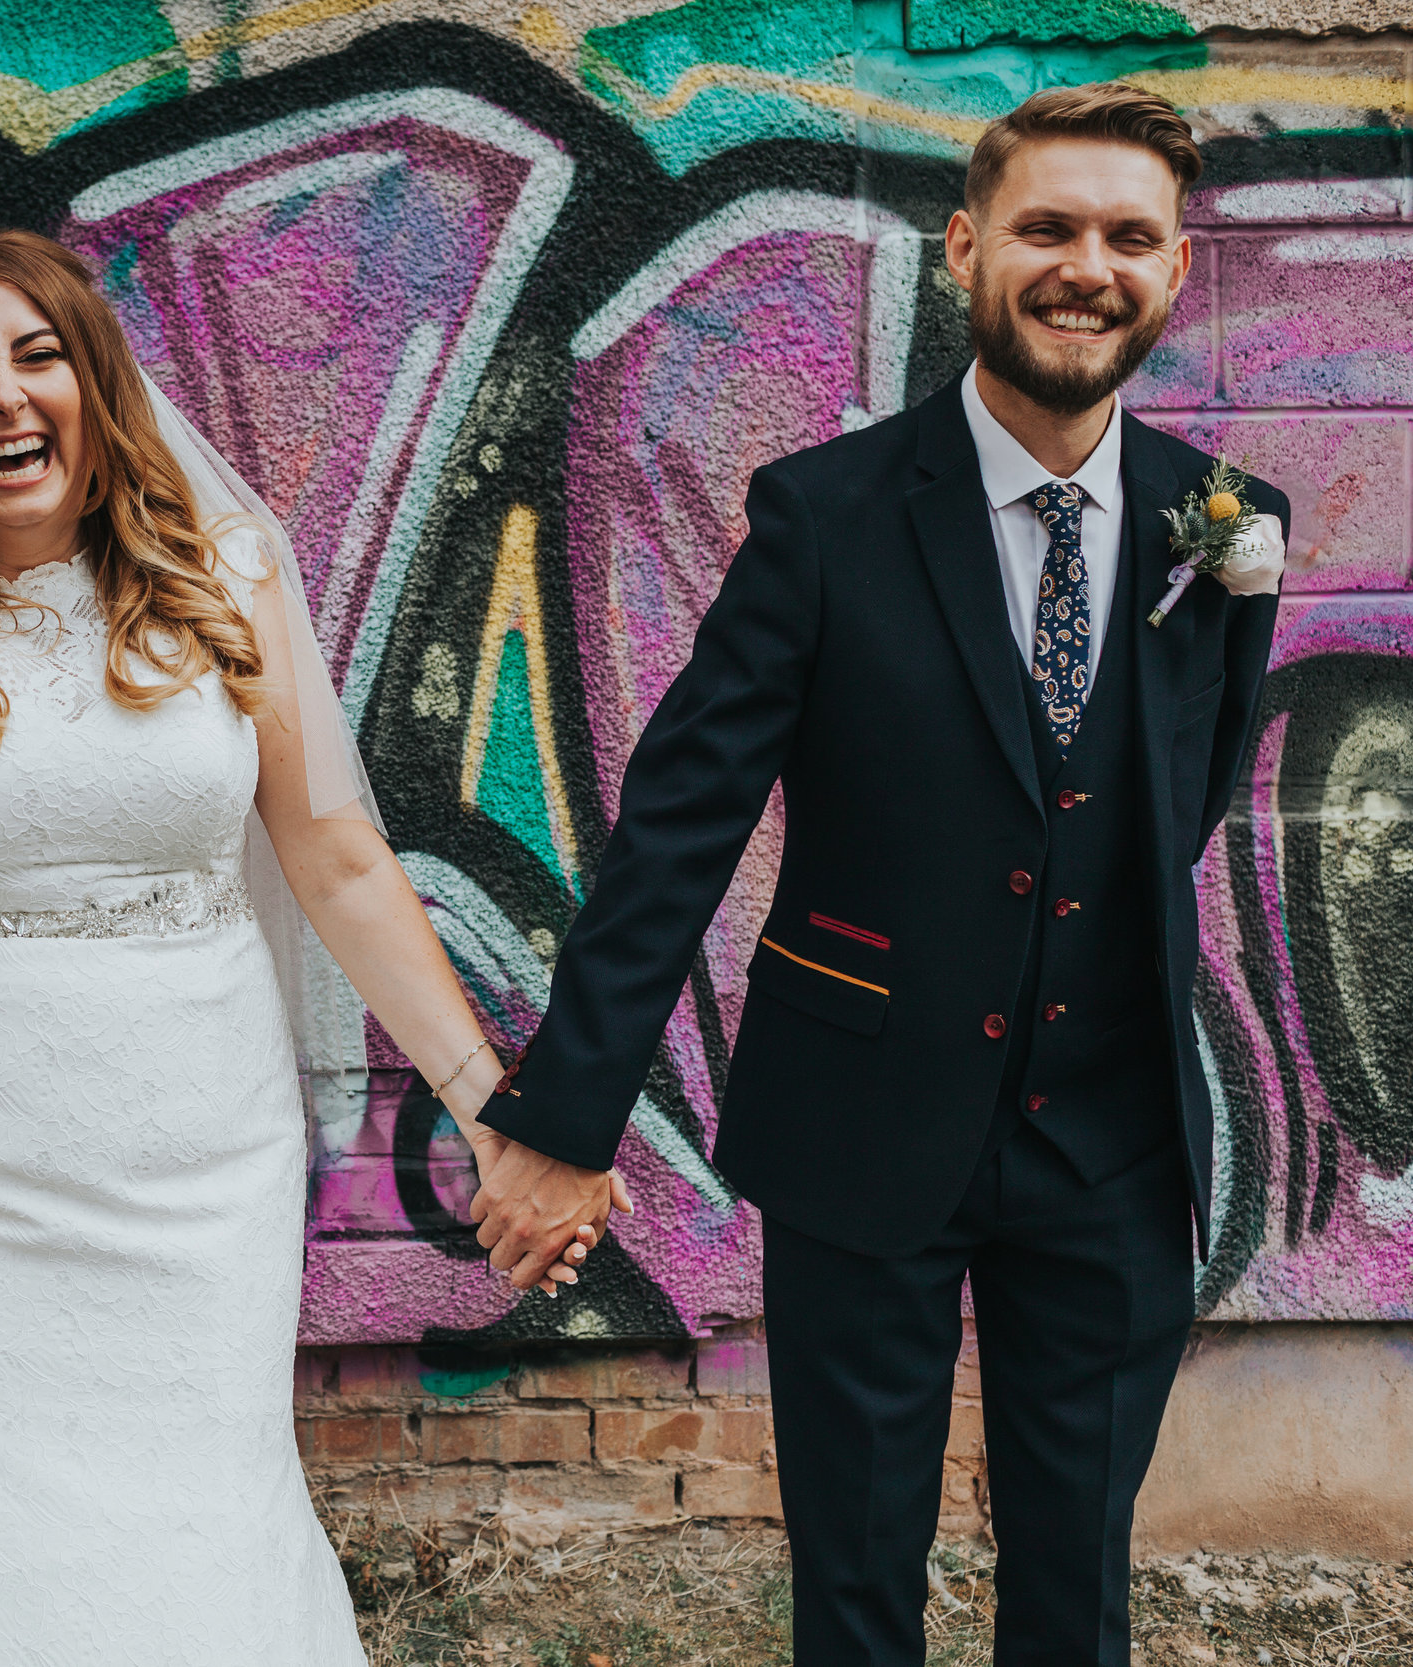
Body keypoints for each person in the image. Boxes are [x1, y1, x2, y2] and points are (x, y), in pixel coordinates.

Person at [0, 227, 623, 1662]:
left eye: (37, 355)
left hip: (197, 1153)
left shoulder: (226, 579)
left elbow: (338, 861)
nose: (4, 397)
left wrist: (489, 1112)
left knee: (194, 1514)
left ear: (95, 384)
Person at [468, 86, 1288, 1663]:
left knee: (1079, 1587)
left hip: (1114, 1140)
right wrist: (565, 1118)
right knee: (855, 1586)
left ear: (1176, 272)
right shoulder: (826, 516)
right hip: (862, 1125)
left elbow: (1172, 805)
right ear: (968, 248)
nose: (1086, 266)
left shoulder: (1222, 526)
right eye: (1048, 228)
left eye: (1130, 237)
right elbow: (679, 824)